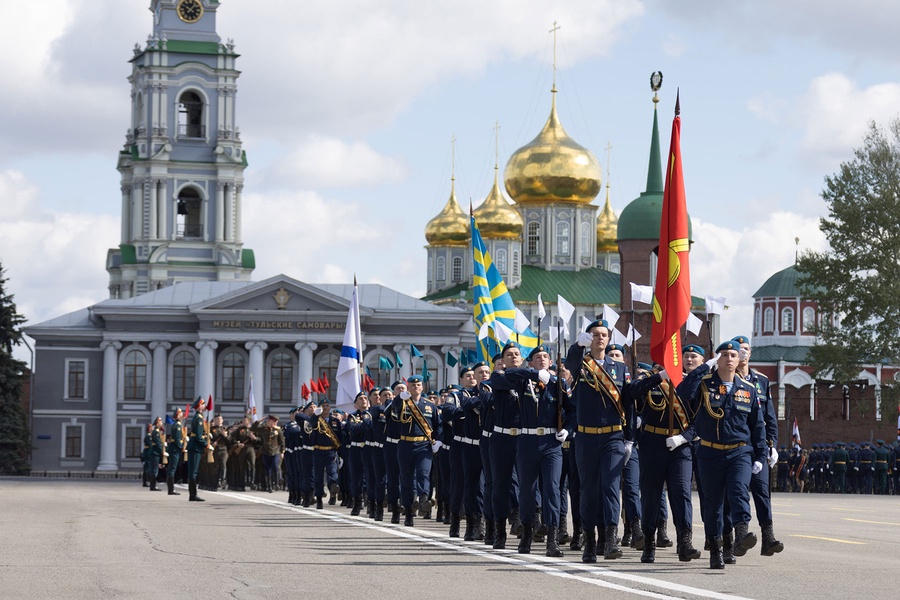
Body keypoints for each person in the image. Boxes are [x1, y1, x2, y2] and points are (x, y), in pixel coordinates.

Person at [676, 339, 766, 569]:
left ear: (739, 360)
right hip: (709, 452)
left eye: (732, 355)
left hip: (739, 452)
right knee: (713, 505)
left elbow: (757, 426)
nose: (728, 358)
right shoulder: (704, 384)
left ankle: (742, 534)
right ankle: (717, 549)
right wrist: (704, 367)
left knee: (738, 492)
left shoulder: (748, 389)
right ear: (717, 359)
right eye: (723, 354)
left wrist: (760, 456)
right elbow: (683, 392)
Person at [561, 319, 634, 563]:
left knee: (611, 488)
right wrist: (577, 345)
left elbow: (629, 402)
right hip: (586, 437)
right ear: (588, 337)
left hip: (613, 436)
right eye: (595, 334)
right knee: (588, 491)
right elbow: (570, 361)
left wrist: (629, 438)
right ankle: (590, 543)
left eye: (603, 334)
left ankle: (611, 539)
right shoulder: (581, 364)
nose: (599, 338)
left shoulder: (620, 368)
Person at [491, 344, 572, 557]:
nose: (543, 359)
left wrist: (568, 430)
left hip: (551, 442)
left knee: (552, 489)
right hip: (527, 440)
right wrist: (535, 374)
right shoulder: (521, 381)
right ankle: (526, 532)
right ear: (531, 363)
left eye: (546, 357)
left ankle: (552, 539)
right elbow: (506, 373)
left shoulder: (558, 384)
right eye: (538, 357)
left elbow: (572, 410)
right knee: (527, 489)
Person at [627, 362, 701, 564]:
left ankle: (684, 542)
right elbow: (633, 392)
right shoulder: (649, 380)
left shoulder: (689, 382)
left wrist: (684, 437)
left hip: (680, 446)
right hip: (652, 443)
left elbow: (698, 419)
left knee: (681, 493)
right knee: (651, 494)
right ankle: (649, 541)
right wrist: (660, 376)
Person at [732, 335, 783, 556]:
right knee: (738, 490)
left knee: (762, 492)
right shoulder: (727, 379)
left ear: (750, 353)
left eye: (746, 349)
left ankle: (768, 537)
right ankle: (738, 536)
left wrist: (773, 445)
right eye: (738, 349)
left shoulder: (761, 380)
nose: (742, 353)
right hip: (737, 444)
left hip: (759, 445)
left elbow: (769, 417)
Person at [390, 374, 441, 526]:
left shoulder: (429, 405)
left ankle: (424, 499)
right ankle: (408, 511)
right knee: (406, 479)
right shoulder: (403, 402)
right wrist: (400, 398)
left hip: (424, 446)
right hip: (405, 445)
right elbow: (394, 411)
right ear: (408, 387)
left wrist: (438, 440)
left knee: (423, 473)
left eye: (418, 385)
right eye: (412, 385)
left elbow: (438, 425)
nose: (415, 387)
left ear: (422, 387)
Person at [311, 399, 343, 509]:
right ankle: (319, 498)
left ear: (330, 407)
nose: (325, 407)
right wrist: (315, 416)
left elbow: (339, 437)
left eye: (327, 405)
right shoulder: (316, 420)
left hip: (331, 451)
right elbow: (310, 426)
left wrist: (341, 454)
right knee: (318, 476)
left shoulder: (335, 421)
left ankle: (334, 487)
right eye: (323, 405)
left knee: (332, 471)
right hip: (318, 451)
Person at [345, 392, 372, 515]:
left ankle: (371, 502)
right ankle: (357, 503)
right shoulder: (352, 416)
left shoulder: (373, 414)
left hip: (369, 448)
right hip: (356, 449)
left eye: (365, 398)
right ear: (356, 404)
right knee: (356, 478)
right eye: (361, 399)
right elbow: (353, 430)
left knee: (371, 477)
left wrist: (364, 424)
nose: (364, 400)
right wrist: (366, 425)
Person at [186, 397, 211, 502]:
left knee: (193, 471)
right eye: (203, 404)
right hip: (195, 447)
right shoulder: (199, 418)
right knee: (193, 472)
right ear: (199, 406)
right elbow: (198, 437)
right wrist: (206, 445)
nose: (205, 405)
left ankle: (193, 494)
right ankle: (193, 495)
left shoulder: (198, 417)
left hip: (194, 446)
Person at [260, 415, 285, 493]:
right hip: (266, 452)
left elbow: (282, 441)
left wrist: (282, 452)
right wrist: (260, 420)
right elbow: (253, 428)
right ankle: (269, 486)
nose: (268, 422)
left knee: (275, 466)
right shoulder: (264, 429)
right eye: (268, 421)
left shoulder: (278, 430)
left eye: (270, 421)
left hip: (275, 451)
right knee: (267, 469)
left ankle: (276, 483)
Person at [166, 409, 185, 495]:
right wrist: (181, 447)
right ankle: (171, 489)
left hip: (174, 448)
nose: (183, 414)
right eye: (181, 413)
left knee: (172, 469)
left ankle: (171, 489)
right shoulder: (177, 425)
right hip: (175, 449)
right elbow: (177, 439)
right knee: (172, 469)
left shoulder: (177, 424)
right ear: (177, 415)